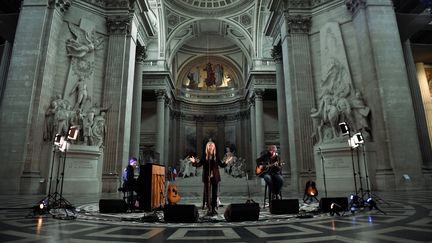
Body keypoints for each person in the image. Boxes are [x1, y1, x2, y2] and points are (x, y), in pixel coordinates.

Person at [190, 139, 232, 216]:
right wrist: (194, 162)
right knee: (207, 193)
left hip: (215, 177)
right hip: (207, 177)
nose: (210, 146)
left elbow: (221, 165)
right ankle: (209, 208)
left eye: (212, 145)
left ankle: (213, 208)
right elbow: (199, 164)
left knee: (214, 193)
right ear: (207, 147)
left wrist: (226, 161)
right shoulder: (205, 156)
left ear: (214, 147)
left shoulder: (216, 156)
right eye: (209, 145)